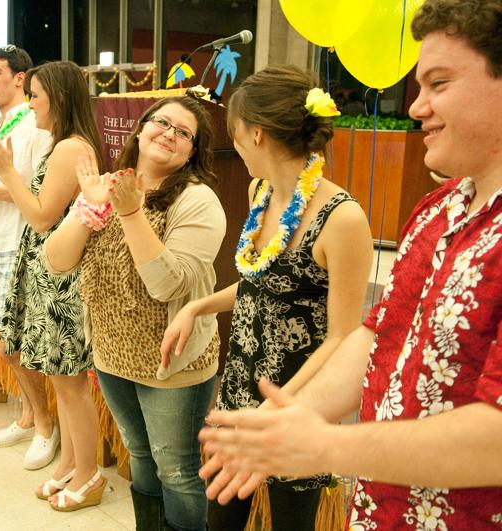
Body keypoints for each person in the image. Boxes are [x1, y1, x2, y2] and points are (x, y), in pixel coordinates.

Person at [198, 1, 502, 529]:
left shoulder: (341, 216)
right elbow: (375, 334)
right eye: (419, 87)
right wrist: (286, 419)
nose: (417, 108)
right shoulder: (438, 209)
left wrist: (326, 444)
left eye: (440, 83)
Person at [163, 67, 372, 530]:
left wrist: (276, 408)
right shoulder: (262, 191)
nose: (233, 144)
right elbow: (261, 284)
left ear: (255, 133)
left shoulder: (343, 218)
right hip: (240, 390)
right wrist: (199, 306)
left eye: (234, 133)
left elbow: (342, 337)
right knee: (222, 516)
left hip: (297, 403)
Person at [45, 95, 226, 529]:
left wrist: (128, 212)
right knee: (140, 457)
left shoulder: (198, 202)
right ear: (140, 129)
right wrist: (89, 209)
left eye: (184, 133)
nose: (170, 134)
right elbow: (57, 260)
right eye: (162, 122)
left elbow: (165, 285)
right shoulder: (106, 184)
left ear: (192, 152)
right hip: (112, 356)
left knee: (177, 470)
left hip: (172, 366)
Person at [0, 60, 103, 510]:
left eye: (35, 95)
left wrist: (6, 170)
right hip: (48, 271)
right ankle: (70, 461)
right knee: (60, 378)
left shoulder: (72, 147)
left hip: (62, 279)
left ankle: (89, 473)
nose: (30, 104)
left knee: (70, 382)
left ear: (60, 98)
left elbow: (41, 215)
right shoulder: (63, 145)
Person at [0, 45, 56, 472]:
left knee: (14, 342)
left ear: (20, 78)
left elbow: (38, 190)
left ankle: (45, 426)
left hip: (20, 241)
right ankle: (27, 416)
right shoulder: (5, 122)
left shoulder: (35, 126)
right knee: (4, 342)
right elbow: (1, 181)